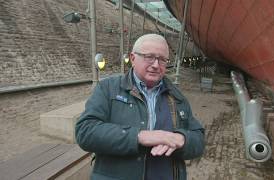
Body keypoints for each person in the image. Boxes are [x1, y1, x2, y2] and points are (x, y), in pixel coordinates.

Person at [75, 33, 205, 180]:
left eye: (162, 59)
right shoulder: (108, 88)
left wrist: (183, 139)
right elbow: (85, 131)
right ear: (132, 58)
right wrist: (139, 136)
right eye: (149, 57)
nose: (156, 65)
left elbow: (199, 139)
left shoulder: (176, 96)